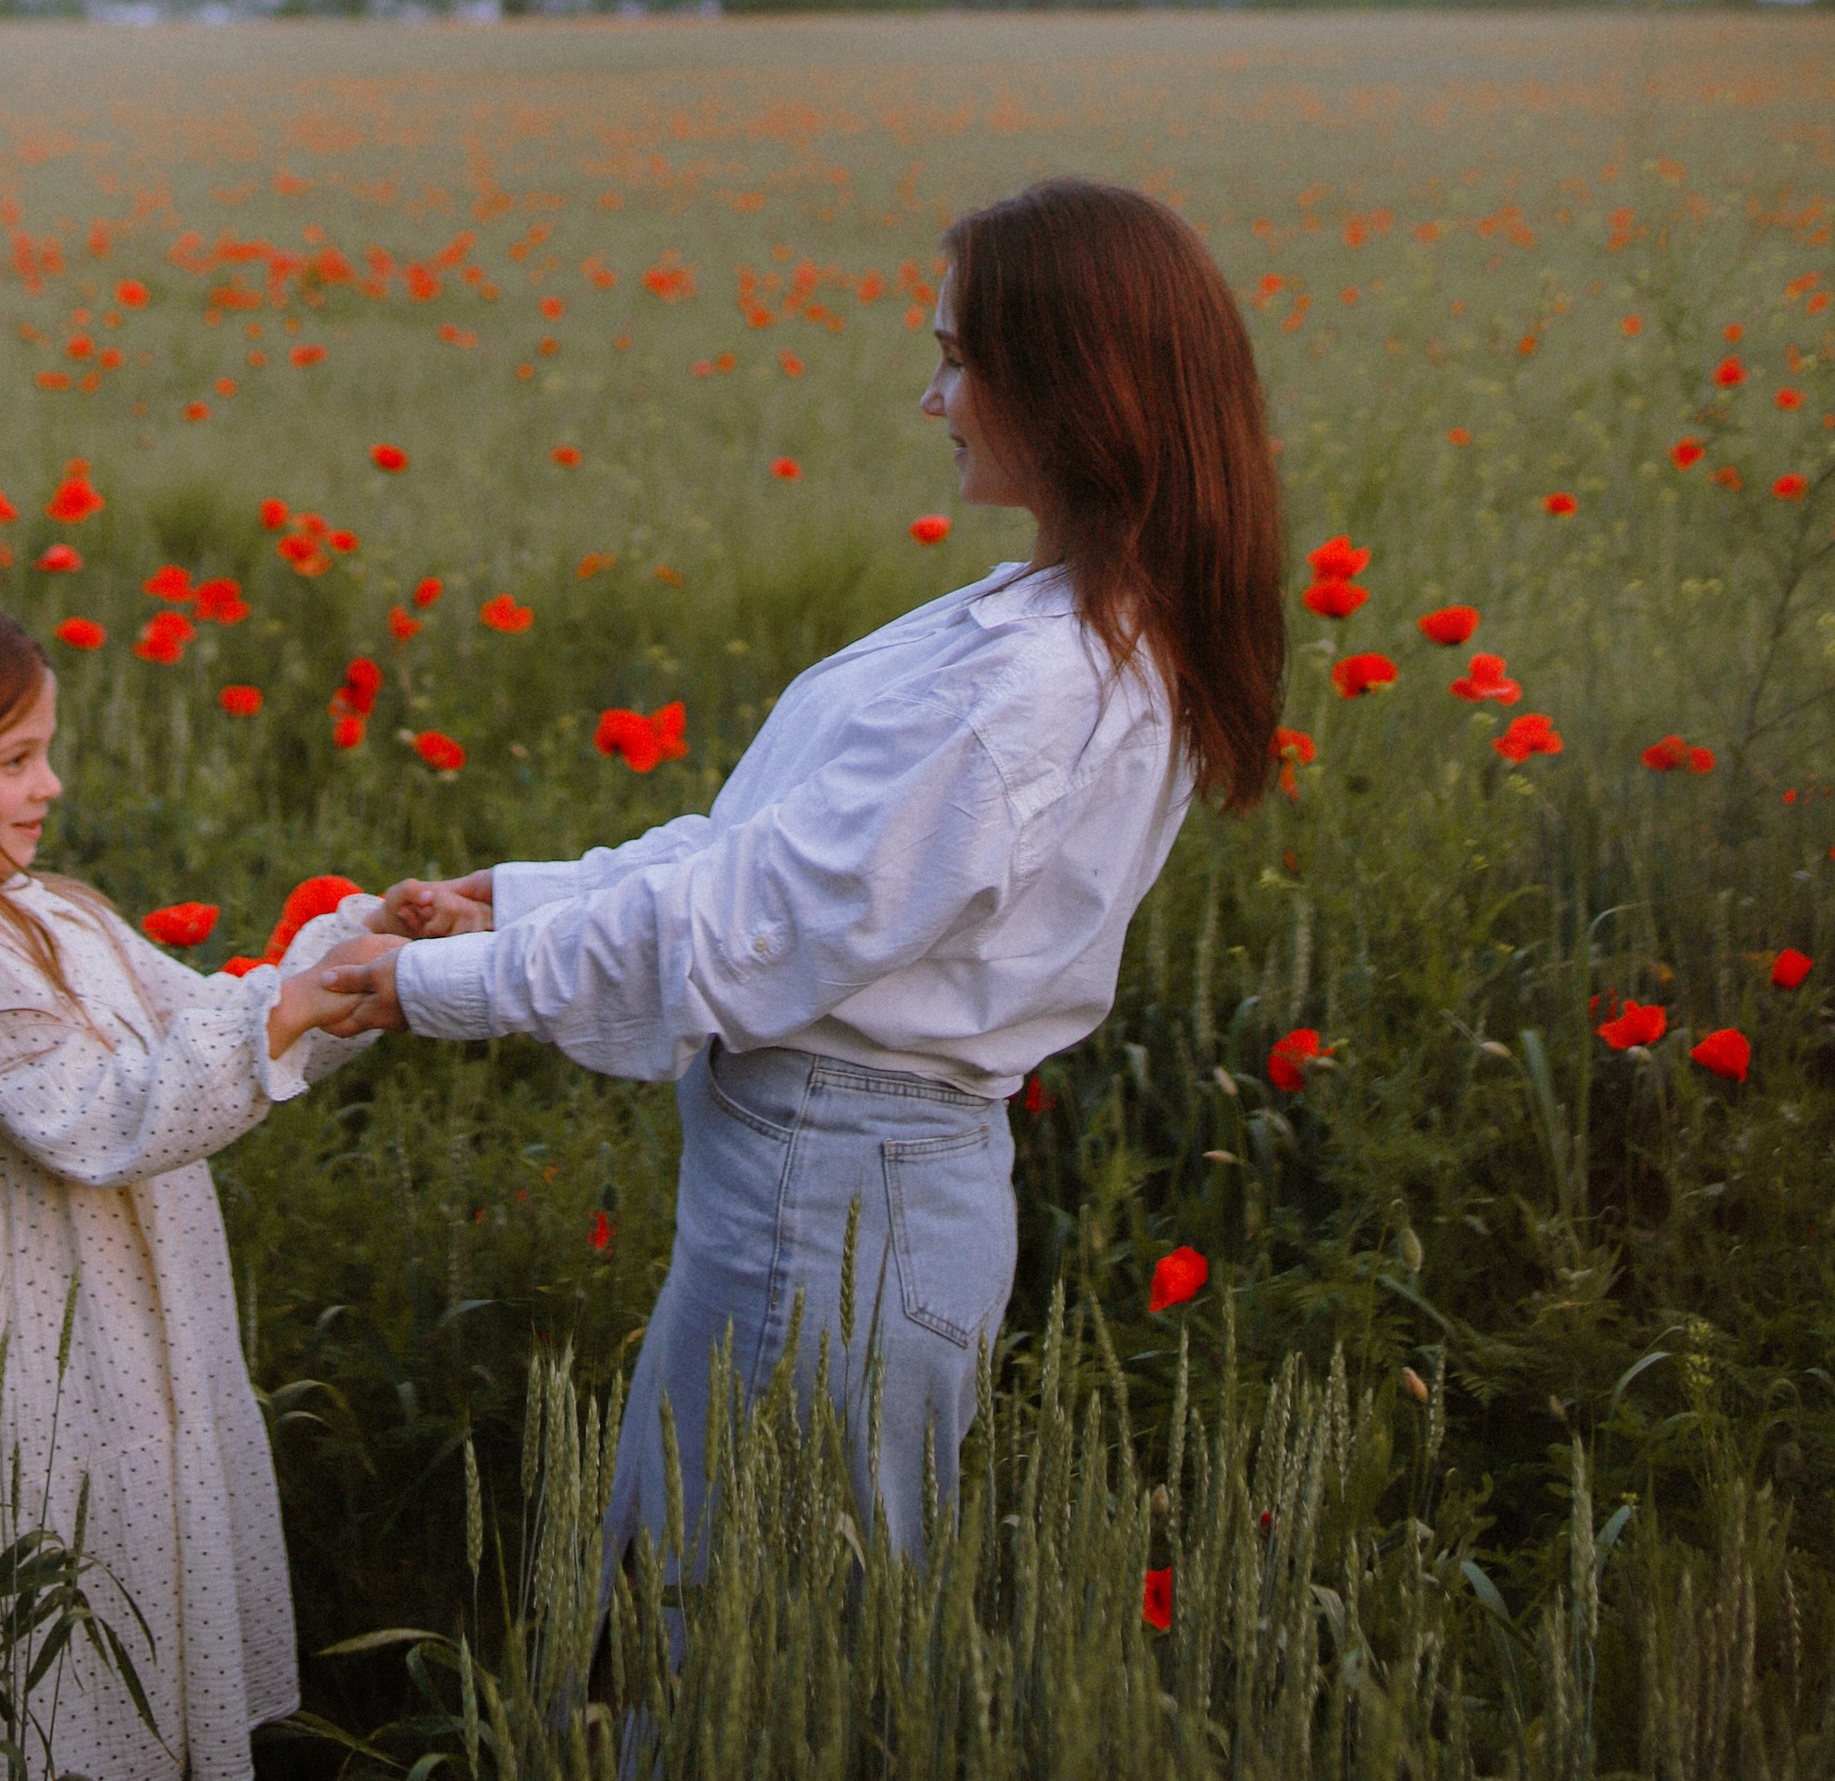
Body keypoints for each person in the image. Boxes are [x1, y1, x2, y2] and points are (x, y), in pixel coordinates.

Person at [319, 177, 1287, 1565]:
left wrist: (436, 984)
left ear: (1075, 384)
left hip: (834, 1197)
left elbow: (749, 930)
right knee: (725, 1620)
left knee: (732, 1651)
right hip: (839, 1180)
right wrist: (525, 901)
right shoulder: (1046, 623)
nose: (931, 399)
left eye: (958, 361)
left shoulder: (1033, 683)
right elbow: (770, 859)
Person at [0, 592, 380, 1781]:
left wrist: (361, 954)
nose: (50, 784)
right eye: (16, 760)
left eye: (44, 754)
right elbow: (106, 1115)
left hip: (155, 1329)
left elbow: (210, 1023)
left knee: (164, 1581)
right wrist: (285, 1011)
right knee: (82, 1612)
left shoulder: (59, 910)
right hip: (61, 1356)